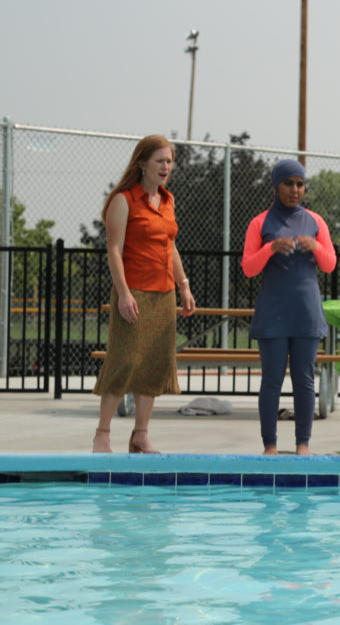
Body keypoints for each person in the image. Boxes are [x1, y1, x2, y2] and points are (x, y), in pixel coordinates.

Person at [91, 135, 196, 454]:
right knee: (123, 362)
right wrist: (123, 294)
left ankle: (140, 435)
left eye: (169, 161)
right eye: (160, 161)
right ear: (142, 164)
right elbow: (114, 249)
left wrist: (184, 285)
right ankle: (102, 434)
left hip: (163, 295)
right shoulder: (123, 200)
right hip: (133, 292)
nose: (166, 167)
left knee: (152, 366)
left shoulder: (168, 200)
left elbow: (170, 246)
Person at [242, 159, 336, 455]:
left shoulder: (316, 221)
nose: (295, 189)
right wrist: (270, 248)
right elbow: (248, 268)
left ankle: (302, 445)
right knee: (271, 379)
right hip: (273, 312)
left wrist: (315, 246)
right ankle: (269, 445)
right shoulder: (260, 223)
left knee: (304, 379)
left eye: (300, 183)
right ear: (276, 186)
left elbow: (330, 264)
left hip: (305, 311)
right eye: (288, 183)